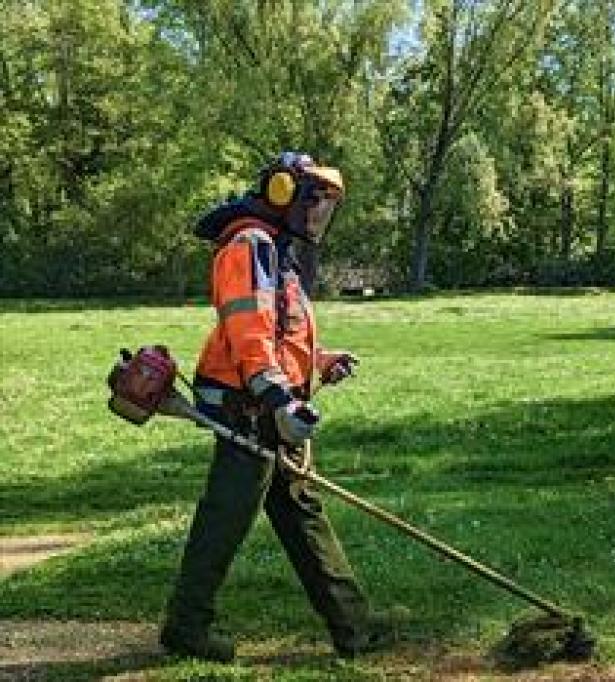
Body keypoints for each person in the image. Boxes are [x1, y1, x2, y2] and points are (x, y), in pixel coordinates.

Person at [159, 151, 393, 662]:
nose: (318, 214)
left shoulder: (276, 250)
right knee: (227, 517)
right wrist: (278, 398)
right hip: (250, 407)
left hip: (268, 405)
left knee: (301, 515)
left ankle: (353, 626)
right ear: (284, 193)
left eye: (326, 205)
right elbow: (248, 334)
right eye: (313, 201)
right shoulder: (251, 246)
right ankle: (186, 627)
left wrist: (318, 363)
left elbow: (278, 333)